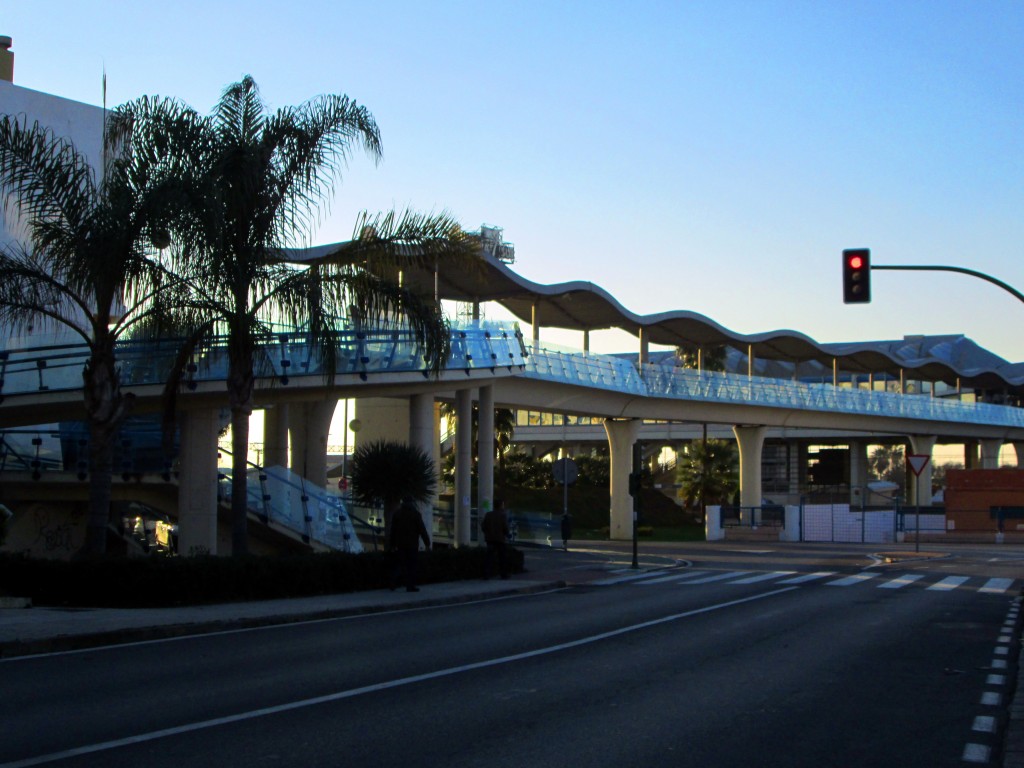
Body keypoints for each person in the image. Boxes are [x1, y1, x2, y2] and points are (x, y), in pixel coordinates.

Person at [388, 496, 431, 592]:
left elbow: (393, 531)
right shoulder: (415, 514)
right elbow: (422, 530)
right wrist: (427, 543)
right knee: (411, 566)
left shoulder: (397, 514)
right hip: (412, 544)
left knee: (400, 564)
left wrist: (392, 544)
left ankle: (393, 583)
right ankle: (410, 586)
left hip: (400, 544)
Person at [481, 498, 510, 580]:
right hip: (500, 539)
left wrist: (487, 533)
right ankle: (503, 574)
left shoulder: (488, 514)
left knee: (489, 557)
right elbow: (505, 527)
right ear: (501, 506)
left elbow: (483, 526)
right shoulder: (502, 515)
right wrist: (507, 534)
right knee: (502, 557)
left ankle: (486, 574)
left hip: (490, 539)